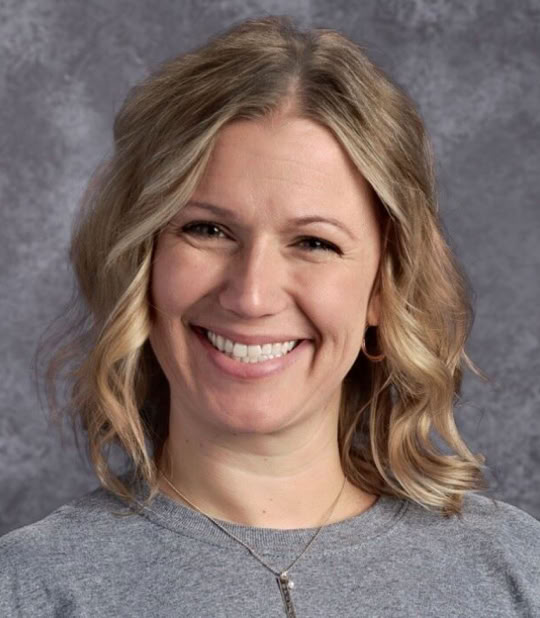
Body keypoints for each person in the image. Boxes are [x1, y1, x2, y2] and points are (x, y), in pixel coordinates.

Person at [1, 15, 539, 618]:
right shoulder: (30, 589)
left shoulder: (516, 572)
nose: (251, 296)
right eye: (208, 230)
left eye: (313, 242)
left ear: (383, 287)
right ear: (141, 261)